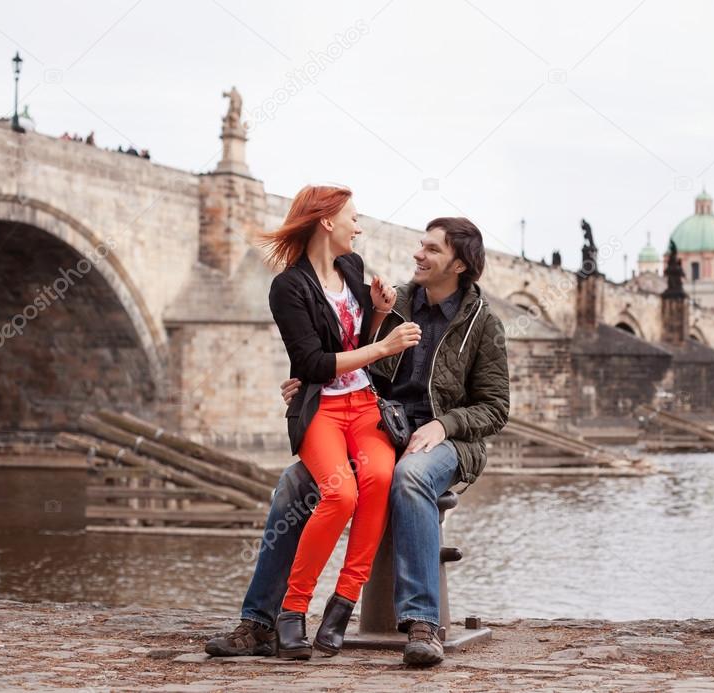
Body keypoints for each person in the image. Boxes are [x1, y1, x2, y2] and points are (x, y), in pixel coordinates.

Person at [206, 216, 510, 667]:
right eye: (420, 245)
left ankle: (422, 623)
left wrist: (443, 426)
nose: (418, 255)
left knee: (410, 477)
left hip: (444, 440)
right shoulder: (394, 303)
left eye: (431, 250)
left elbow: (495, 407)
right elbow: (344, 353)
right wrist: (308, 382)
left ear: (461, 265)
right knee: (294, 483)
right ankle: (260, 623)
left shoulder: (483, 323)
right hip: (371, 426)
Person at [258, 184, 421, 660]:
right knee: (340, 492)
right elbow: (311, 363)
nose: (360, 225)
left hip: (364, 405)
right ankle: (292, 610)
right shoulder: (288, 287)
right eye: (354, 217)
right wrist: (385, 345)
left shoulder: (351, 267)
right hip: (320, 410)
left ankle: (342, 606)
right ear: (327, 221)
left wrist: (379, 314)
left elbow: (352, 343)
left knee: (377, 479)